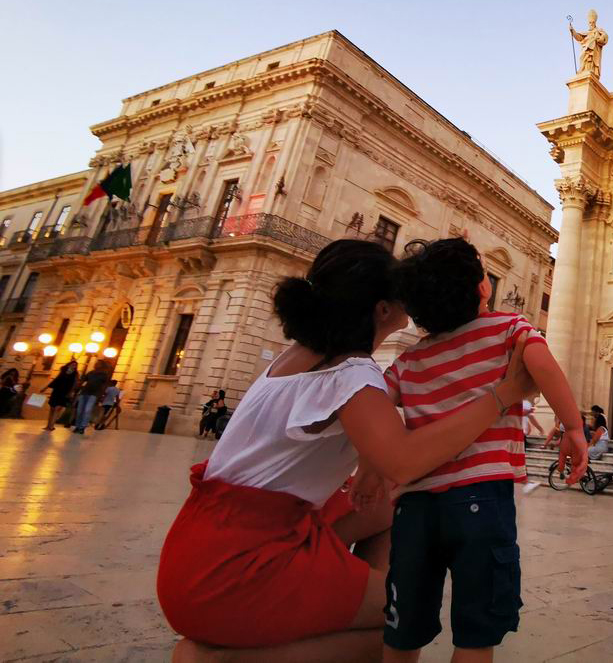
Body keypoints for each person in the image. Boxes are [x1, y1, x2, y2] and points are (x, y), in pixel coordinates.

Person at [157, 239, 550, 661]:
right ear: (383, 309)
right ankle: (221, 659)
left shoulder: (298, 355)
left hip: (199, 547)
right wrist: (504, 392)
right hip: (234, 572)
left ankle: (347, 592)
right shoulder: (352, 375)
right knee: (401, 615)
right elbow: (405, 460)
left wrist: (371, 466)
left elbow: (385, 456)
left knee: (386, 508)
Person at [381, 237, 587, 661]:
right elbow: (543, 364)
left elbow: (380, 406)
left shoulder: (409, 361)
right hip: (481, 497)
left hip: (415, 506)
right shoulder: (508, 329)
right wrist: (573, 427)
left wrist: (369, 468)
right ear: (483, 287)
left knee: (404, 629)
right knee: (476, 633)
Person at [72, 360, 110, 434]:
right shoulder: (91, 373)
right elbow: (83, 381)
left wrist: (102, 395)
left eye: (98, 364)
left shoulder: (104, 375)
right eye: (96, 363)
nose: (96, 364)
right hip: (84, 392)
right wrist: (78, 386)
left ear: (101, 365)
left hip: (94, 394)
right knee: (80, 410)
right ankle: (77, 426)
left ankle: (82, 427)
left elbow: (105, 386)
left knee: (87, 410)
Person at [42, 360, 78, 431]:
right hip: (57, 391)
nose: (74, 366)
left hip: (65, 392)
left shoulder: (75, 374)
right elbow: (56, 379)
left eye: (75, 365)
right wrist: (45, 387)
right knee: (52, 409)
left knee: (57, 409)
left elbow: (74, 384)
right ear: (69, 365)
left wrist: (71, 392)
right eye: (72, 364)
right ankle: (48, 425)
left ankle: (51, 426)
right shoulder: (63, 371)